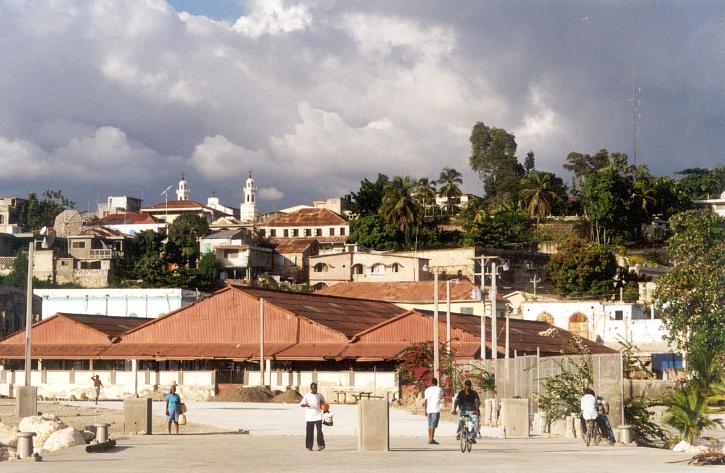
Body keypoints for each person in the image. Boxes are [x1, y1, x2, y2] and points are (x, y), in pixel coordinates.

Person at [300, 382, 325, 451]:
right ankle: (309, 446)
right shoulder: (307, 395)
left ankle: (321, 445)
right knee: (309, 431)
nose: (315, 389)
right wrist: (306, 405)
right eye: (313, 388)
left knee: (319, 431)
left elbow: (323, 402)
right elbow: (301, 404)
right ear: (311, 388)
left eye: (316, 388)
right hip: (309, 416)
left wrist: (324, 406)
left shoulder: (320, 395)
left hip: (318, 415)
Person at [423, 378, 443, 445]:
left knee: (430, 424)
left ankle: (430, 438)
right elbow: (441, 396)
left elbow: (426, 400)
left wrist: (425, 409)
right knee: (433, 425)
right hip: (436, 409)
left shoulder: (427, 390)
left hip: (429, 409)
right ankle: (431, 439)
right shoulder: (439, 389)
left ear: (431, 383)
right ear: (437, 383)